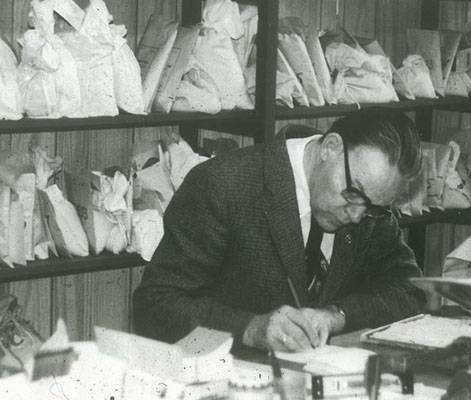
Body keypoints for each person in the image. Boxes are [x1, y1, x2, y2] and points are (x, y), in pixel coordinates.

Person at [133, 108, 426, 352]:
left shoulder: (369, 202)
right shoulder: (222, 184)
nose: (357, 215)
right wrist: (249, 328)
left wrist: (336, 315)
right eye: (352, 193)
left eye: (373, 208)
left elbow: (411, 291)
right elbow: (155, 306)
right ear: (330, 147)